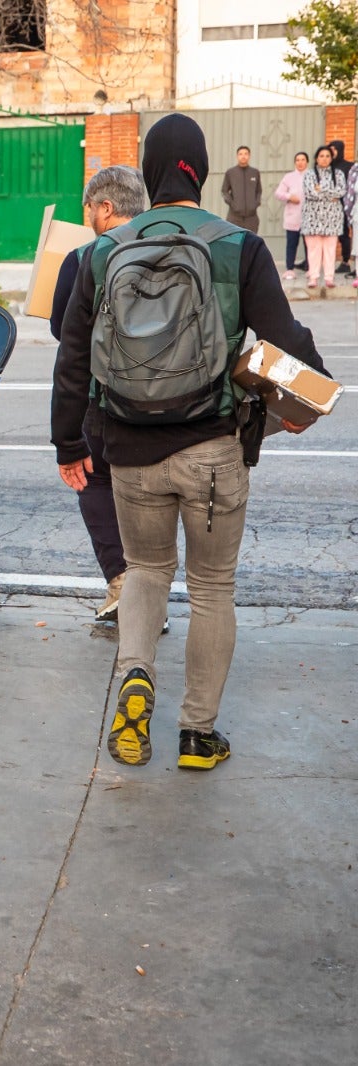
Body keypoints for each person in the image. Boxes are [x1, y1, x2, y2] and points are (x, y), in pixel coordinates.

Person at [52, 112, 325, 771]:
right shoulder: (238, 246)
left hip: (130, 448)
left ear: (148, 173)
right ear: (201, 173)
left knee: (145, 572)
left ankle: (137, 679)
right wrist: (304, 405)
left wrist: (68, 445)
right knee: (211, 588)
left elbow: (71, 358)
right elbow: (285, 339)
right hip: (211, 451)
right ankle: (198, 735)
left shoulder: (99, 253)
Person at [48, 165, 145, 621]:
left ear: (105, 207)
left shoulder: (85, 257)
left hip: (103, 399)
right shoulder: (177, 247)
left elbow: (62, 333)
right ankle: (152, 595)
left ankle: (124, 584)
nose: (86, 216)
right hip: (177, 400)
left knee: (94, 479)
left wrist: (66, 441)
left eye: (88, 207)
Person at [301, 146, 344, 295]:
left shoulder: (338, 174)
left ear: (331, 158)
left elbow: (341, 191)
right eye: (321, 156)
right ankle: (313, 277)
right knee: (314, 250)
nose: (324, 158)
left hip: (332, 219)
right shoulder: (309, 174)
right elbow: (309, 192)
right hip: (312, 218)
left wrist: (321, 189)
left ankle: (329, 277)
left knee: (330, 250)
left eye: (327, 156)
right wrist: (329, 194)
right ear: (316, 158)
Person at [274, 152, 309, 280]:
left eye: (303, 160)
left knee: (309, 244)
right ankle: (289, 269)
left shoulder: (311, 175)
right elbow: (278, 193)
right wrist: (289, 197)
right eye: (298, 160)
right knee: (291, 244)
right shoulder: (288, 177)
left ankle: (310, 269)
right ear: (295, 162)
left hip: (309, 218)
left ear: (307, 162)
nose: (300, 162)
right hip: (292, 217)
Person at [220, 145, 262, 233]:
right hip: (234, 217)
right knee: (235, 244)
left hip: (252, 218)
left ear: (249, 156)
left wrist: (255, 204)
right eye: (240, 154)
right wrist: (233, 204)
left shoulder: (255, 172)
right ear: (237, 156)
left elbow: (259, 191)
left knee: (251, 244)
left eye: (246, 154)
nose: (243, 156)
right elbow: (224, 191)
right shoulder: (230, 172)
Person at [329, 139, 353, 272]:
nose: (332, 152)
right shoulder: (327, 166)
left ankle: (345, 261)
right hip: (328, 208)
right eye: (330, 149)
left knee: (344, 234)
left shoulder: (349, 166)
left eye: (334, 150)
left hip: (343, 207)